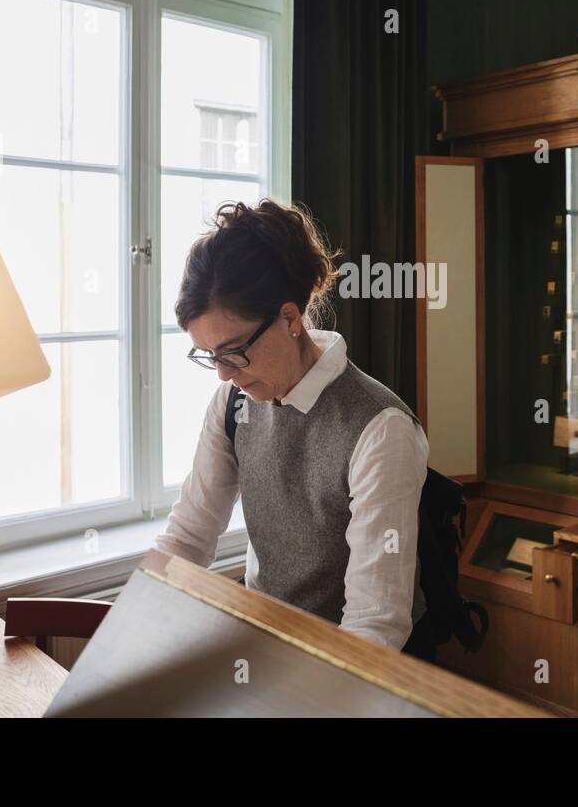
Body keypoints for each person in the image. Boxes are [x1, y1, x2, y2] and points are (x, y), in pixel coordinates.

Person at [151, 198, 437, 661]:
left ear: (289, 319)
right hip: (267, 647)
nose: (223, 373)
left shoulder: (381, 429)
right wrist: (131, 631)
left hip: (356, 669)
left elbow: (374, 621)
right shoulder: (233, 402)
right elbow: (188, 536)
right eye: (208, 356)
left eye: (232, 351)